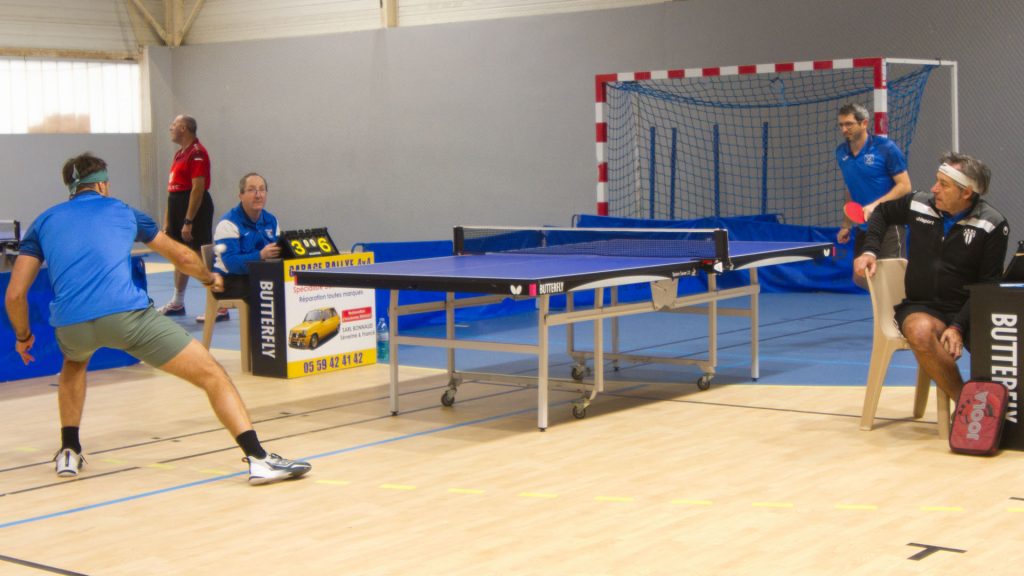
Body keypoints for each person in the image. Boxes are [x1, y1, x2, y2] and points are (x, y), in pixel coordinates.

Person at [4, 152, 311, 485]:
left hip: (71, 325)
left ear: (71, 187)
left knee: (74, 364)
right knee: (212, 374)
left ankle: (69, 449)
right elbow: (180, 256)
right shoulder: (124, 211)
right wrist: (209, 278)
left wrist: (23, 337)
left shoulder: (44, 221)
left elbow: (15, 295)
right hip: (127, 318)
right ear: (103, 185)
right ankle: (258, 458)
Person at [853, 152, 1009, 401]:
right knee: (919, 331)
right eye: (937, 181)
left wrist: (958, 326)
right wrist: (870, 250)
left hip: (970, 309)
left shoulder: (993, 224)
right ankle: (966, 405)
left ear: (966, 192)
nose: (934, 188)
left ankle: (1005, 408)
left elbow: (987, 285)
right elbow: (881, 212)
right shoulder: (918, 203)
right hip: (923, 306)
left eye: (944, 184)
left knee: (1005, 342)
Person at [835, 103, 912, 288]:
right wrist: (846, 224)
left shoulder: (886, 148)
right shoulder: (841, 152)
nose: (844, 129)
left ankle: (901, 306)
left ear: (864, 123)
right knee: (861, 277)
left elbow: (905, 186)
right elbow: (851, 188)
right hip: (864, 226)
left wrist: (874, 205)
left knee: (892, 279)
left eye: (849, 124)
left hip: (890, 222)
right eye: (841, 125)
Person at [157, 114, 222, 319]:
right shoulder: (179, 154)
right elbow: (172, 191)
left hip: (194, 208)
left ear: (184, 128)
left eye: (174, 124)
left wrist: (188, 220)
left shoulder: (197, 153)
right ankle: (177, 302)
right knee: (178, 254)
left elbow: (197, 189)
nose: (170, 128)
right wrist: (168, 222)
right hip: (177, 205)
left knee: (201, 254)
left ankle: (219, 303)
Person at [203, 172, 281, 312]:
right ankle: (260, 328)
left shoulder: (271, 220)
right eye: (251, 190)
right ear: (241, 195)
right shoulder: (228, 223)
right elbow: (232, 264)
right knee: (266, 290)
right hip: (228, 281)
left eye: (262, 189)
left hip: (259, 277)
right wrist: (260, 255)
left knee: (288, 285)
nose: (258, 195)